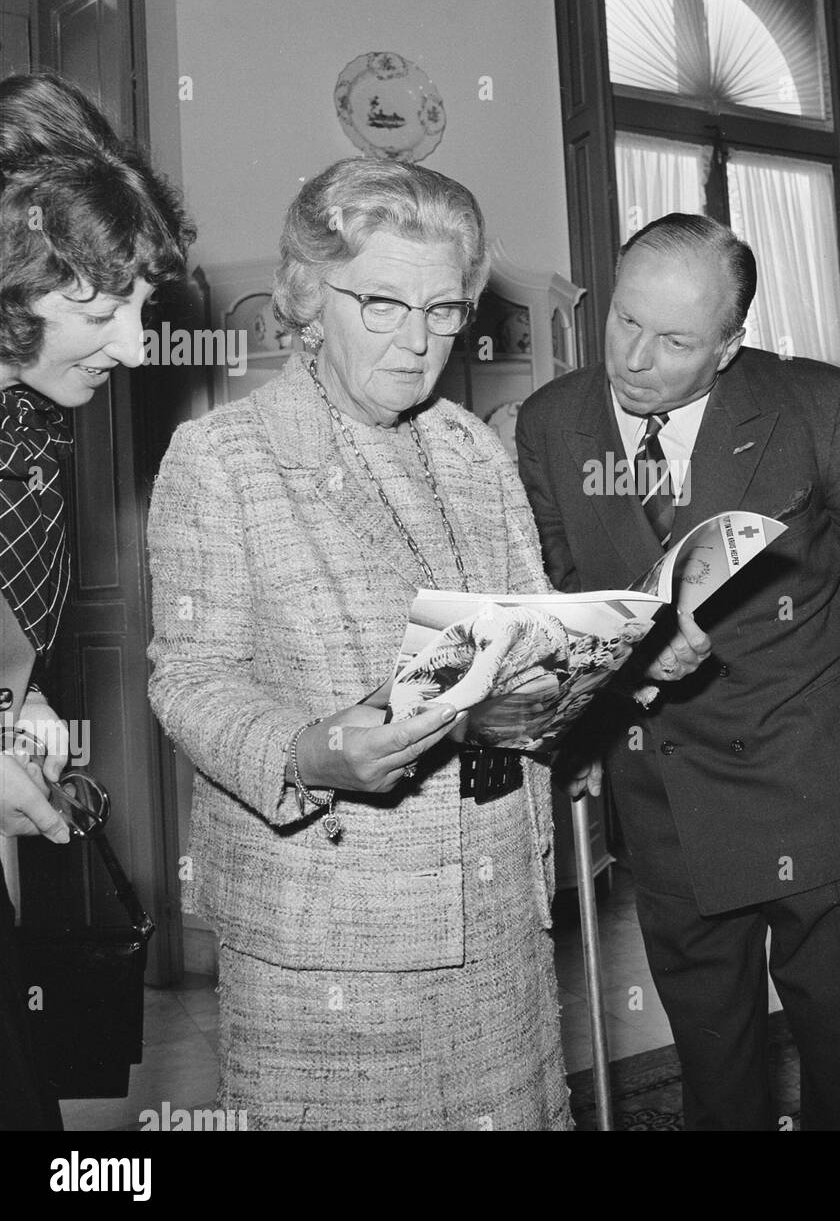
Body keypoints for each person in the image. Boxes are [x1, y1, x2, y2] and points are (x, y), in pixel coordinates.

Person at [149, 158, 594, 1130]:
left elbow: (527, 629)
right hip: (333, 944)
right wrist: (306, 750)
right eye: (382, 303)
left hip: (496, 917)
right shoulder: (226, 457)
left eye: (443, 310)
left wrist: (601, 668)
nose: (418, 341)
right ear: (308, 297)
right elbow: (191, 678)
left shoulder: (472, 448)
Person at [515, 212, 840, 1131]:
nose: (636, 358)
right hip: (665, 785)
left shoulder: (817, 405)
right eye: (625, 321)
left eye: (676, 340)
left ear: (729, 346)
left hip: (811, 772)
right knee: (712, 1055)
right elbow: (562, 590)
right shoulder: (550, 423)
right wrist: (627, 669)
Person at [0, 70, 194, 1131]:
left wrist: (14, 710)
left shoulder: (24, 423)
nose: (131, 342)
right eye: (99, 305)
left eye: (142, 305)